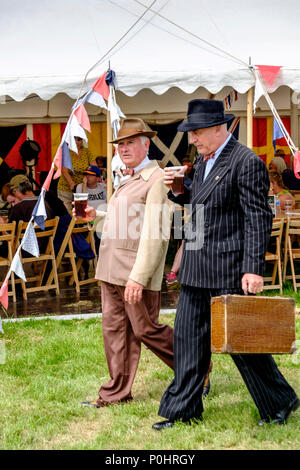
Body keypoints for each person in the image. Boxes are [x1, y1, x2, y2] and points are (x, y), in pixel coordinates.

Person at [152, 99, 299, 430]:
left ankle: (280, 400)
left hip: (230, 268)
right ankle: (183, 411)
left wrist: (252, 268)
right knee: (188, 342)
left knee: (243, 344)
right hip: (197, 265)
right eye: (191, 133)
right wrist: (180, 191)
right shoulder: (202, 161)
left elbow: (257, 217)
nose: (193, 139)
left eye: (198, 132)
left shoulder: (246, 161)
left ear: (221, 128)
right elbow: (202, 204)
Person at [77, 118, 175, 408]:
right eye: (120, 144)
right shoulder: (127, 176)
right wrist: (99, 216)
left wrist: (139, 277)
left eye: (131, 142)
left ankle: (197, 368)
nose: (124, 148)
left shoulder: (157, 179)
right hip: (110, 268)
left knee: (146, 330)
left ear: (147, 144)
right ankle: (116, 392)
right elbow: (130, 218)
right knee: (115, 332)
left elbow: (156, 233)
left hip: (134, 272)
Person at [57, 136, 96, 213]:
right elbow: (64, 171)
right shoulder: (66, 152)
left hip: (81, 188)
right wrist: (71, 183)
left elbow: (94, 168)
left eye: (79, 139)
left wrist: (89, 174)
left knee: (81, 213)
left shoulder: (87, 152)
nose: (76, 142)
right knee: (67, 214)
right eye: (74, 139)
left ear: (82, 141)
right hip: (66, 188)